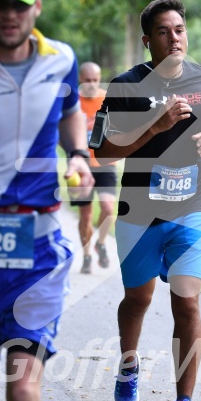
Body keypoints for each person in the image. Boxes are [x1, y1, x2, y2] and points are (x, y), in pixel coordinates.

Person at [0, 0, 94, 401]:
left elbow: (70, 106)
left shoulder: (60, 59)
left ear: (37, 4)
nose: (9, 15)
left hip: (36, 253)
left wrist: (76, 152)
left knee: (25, 394)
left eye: (18, 4)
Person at [95, 0, 201, 401]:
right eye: (165, 32)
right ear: (147, 39)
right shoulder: (126, 85)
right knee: (138, 300)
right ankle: (129, 366)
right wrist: (154, 125)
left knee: (186, 300)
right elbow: (105, 152)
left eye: (180, 29)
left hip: (192, 206)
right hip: (139, 212)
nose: (175, 38)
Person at [75, 61, 117, 274]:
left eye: (95, 80)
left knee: (109, 208)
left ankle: (101, 243)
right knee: (85, 215)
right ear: (81, 79)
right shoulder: (73, 102)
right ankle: (87, 256)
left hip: (105, 163)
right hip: (81, 165)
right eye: (87, 80)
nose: (91, 84)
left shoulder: (107, 100)